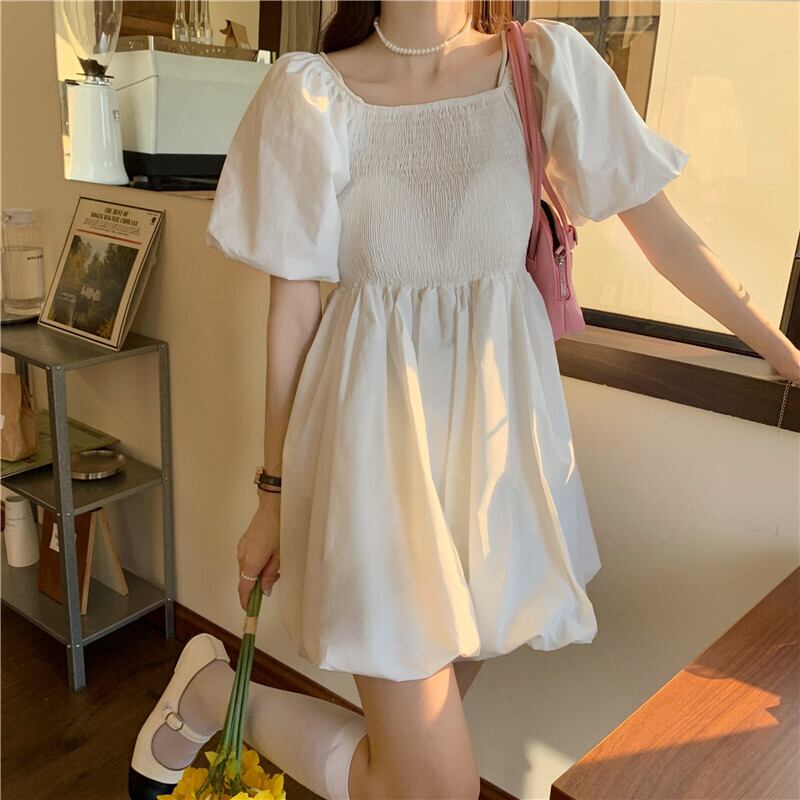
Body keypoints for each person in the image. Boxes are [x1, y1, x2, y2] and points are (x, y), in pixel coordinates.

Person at [129, 3, 800, 799]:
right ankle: (210, 694)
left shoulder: (541, 68)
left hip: (493, 466)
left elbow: (665, 234)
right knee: (432, 788)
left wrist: (783, 351)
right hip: (370, 457)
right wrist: (272, 493)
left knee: (409, 760)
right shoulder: (310, 93)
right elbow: (295, 309)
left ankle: (209, 691)